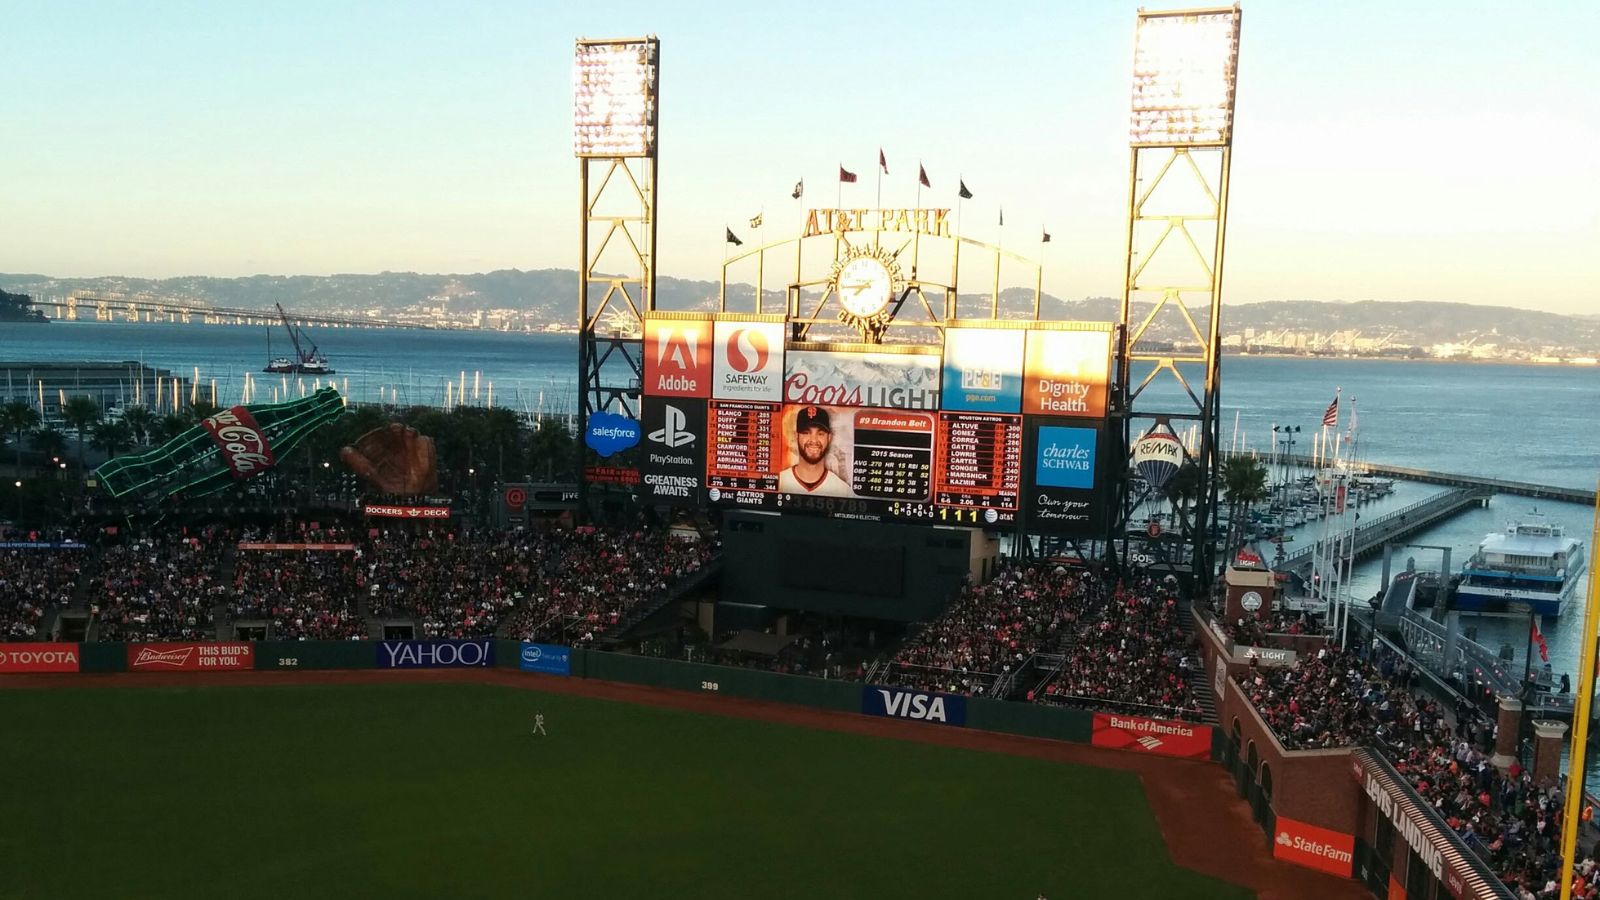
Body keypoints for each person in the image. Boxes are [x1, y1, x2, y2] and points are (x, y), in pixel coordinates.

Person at [777, 406, 855, 498]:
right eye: (806, 432)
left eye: (820, 433)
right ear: (796, 436)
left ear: (829, 438)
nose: (813, 440)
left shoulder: (843, 491)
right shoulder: (779, 483)